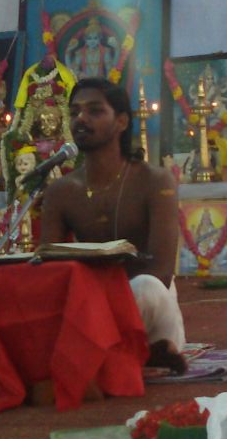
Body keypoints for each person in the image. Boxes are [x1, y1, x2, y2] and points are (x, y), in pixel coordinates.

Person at [40, 78, 187, 374]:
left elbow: (161, 270)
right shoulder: (60, 192)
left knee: (146, 287)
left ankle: (109, 356)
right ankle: (127, 357)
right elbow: (50, 270)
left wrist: (102, 305)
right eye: (75, 112)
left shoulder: (154, 180)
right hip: (86, 309)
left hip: (145, 308)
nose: (81, 119)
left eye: (94, 111)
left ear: (121, 122)